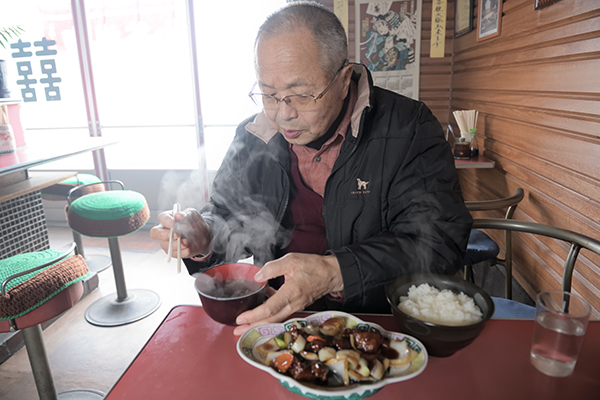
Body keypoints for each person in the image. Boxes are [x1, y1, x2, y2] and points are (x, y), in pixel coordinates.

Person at [150, 1, 472, 336]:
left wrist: (335, 271)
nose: (282, 114)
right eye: (269, 93)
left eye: (301, 94)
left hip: (377, 324)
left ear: (344, 79)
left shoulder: (408, 128)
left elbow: (440, 241)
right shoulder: (254, 136)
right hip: (276, 322)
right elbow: (228, 212)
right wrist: (205, 235)